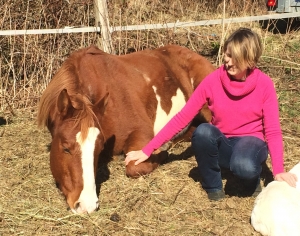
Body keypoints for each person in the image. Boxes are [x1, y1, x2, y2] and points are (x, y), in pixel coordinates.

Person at [124, 28, 297, 201]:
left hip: (251, 142)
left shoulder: (264, 85)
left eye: (235, 58)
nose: (228, 62)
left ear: (249, 61)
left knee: (243, 165)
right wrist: (148, 149)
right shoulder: (213, 80)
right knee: (203, 132)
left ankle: (249, 181)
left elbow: (273, 130)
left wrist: (278, 170)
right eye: (227, 55)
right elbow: (182, 117)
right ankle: (213, 187)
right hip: (223, 142)